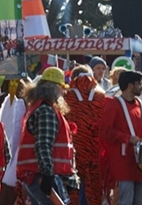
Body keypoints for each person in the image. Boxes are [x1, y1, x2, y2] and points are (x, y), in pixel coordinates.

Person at [17, 67, 78, 205]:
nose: (64, 92)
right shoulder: (46, 111)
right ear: (54, 88)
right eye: (62, 88)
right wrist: (47, 174)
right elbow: (43, 144)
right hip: (42, 175)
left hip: (36, 174)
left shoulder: (38, 107)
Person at [100, 71, 142, 205]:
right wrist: (127, 138)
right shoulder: (114, 104)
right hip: (124, 163)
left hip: (140, 162)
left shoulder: (139, 103)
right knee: (126, 201)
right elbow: (105, 131)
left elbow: (140, 130)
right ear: (130, 86)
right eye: (139, 84)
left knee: (138, 202)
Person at [62, 66, 106, 205]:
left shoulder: (67, 95)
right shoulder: (101, 94)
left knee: (74, 184)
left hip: (73, 147)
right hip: (96, 148)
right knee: (93, 185)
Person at [0, 80, 27, 205]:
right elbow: (14, 133)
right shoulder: (18, 104)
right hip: (14, 156)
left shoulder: (7, 102)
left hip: (6, 156)